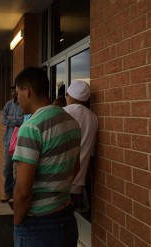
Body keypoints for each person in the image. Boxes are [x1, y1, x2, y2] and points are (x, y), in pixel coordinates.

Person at [12, 67, 81, 247]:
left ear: (27, 91)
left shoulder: (31, 127)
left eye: (17, 93)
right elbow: (76, 168)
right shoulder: (71, 122)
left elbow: (23, 192)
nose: (17, 99)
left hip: (38, 226)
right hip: (67, 218)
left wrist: (18, 222)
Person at [63, 79, 98, 209]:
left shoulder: (63, 112)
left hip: (61, 181)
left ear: (68, 95)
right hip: (79, 181)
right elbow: (90, 154)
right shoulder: (93, 117)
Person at [0, 86, 24, 202]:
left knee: (19, 169)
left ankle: (16, 194)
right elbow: (3, 120)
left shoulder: (24, 104)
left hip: (20, 142)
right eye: (11, 92)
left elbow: (24, 120)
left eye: (14, 91)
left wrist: (11, 119)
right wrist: (16, 120)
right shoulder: (8, 104)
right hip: (9, 141)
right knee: (7, 169)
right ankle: (8, 193)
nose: (12, 93)